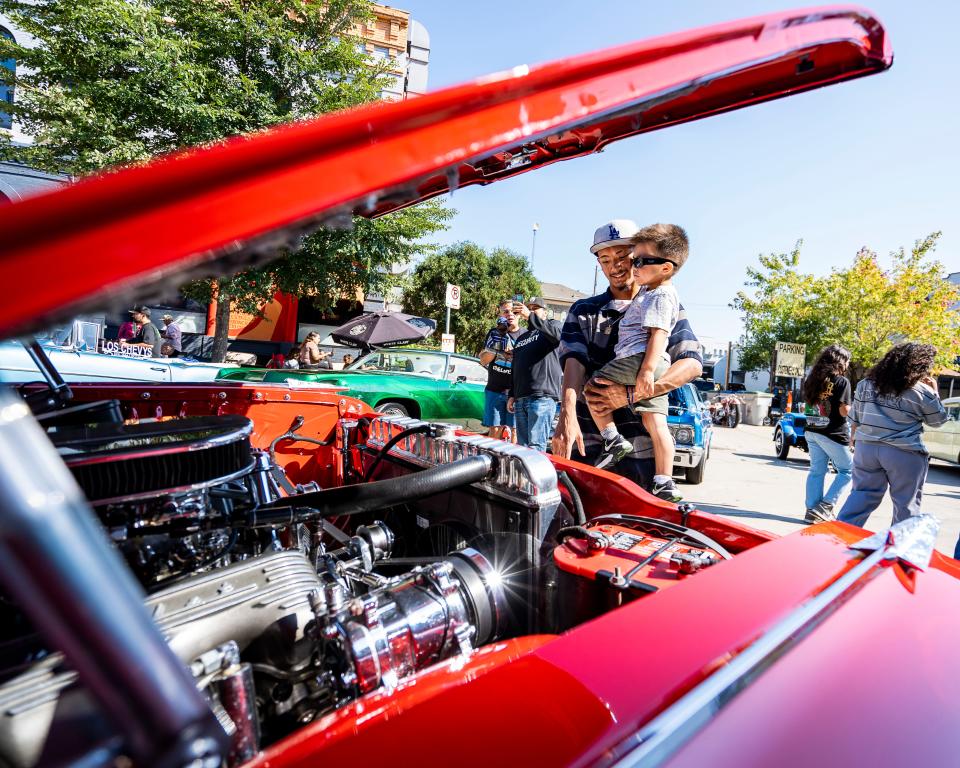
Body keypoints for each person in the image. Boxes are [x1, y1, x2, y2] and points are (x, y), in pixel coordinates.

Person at [553, 220, 703, 495]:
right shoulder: (584, 310)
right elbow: (573, 361)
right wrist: (566, 415)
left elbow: (691, 364)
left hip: (643, 453)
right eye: (605, 259)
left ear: (640, 256)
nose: (615, 266)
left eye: (624, 256)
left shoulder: (664, 302)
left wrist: (631, 395)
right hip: (589, 444)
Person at [584, 224, 687, 502]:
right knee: (657, 423)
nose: (628, 266)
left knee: (593, 389)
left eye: (635, 259)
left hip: (637, 359)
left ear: (665, 267)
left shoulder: (658, 295)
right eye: (605, 260)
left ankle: (613, 438)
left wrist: (646, 373)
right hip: (649, 364)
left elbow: (662, 338)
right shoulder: (649, 293)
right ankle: (665, 480)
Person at [837, 343, 947, 528]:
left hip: (867, 449)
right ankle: (898, 549)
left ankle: (839, 538)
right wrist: (935, 392)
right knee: (906, 504)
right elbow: (938, 421)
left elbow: (854, 416)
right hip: (904, 452)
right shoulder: (921, 391)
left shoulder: (865, 385)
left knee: (861, 495)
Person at [801, 345, 854, 523]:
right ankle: (825, 507)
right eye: (847, 361)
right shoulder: (842, 382)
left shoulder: (812, 379)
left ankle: (812, 511)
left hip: (812, 430)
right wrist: (856, 413)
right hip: (833, 432)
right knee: (848, 470)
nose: (848, 365)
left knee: (817, 470)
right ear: (840, 361)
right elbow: (843, 411)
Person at [506, 297, 563, 451]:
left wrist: (529, 316)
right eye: (529, 307)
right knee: (522, 448)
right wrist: (512, 394)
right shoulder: (523, 337)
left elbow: (558, 336)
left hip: (542, 396)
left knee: (536, 447)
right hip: (521, 397)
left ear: (545, 312)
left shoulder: (553, 325)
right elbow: (516, 366)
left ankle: (538, 476)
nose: (531, 310)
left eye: (535, 308)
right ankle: (525, 476)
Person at [478, 302, 523, 437]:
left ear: (519, 314)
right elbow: (483, 360)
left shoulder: (526, 335)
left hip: (516, 393)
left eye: (514, 312)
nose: (510, 315)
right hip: (494, 390)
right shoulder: (494, 332)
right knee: (495, 431)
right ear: (500, 314)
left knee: (515, 432)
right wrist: (497, 348)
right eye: (506, 312)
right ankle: (493, 458)